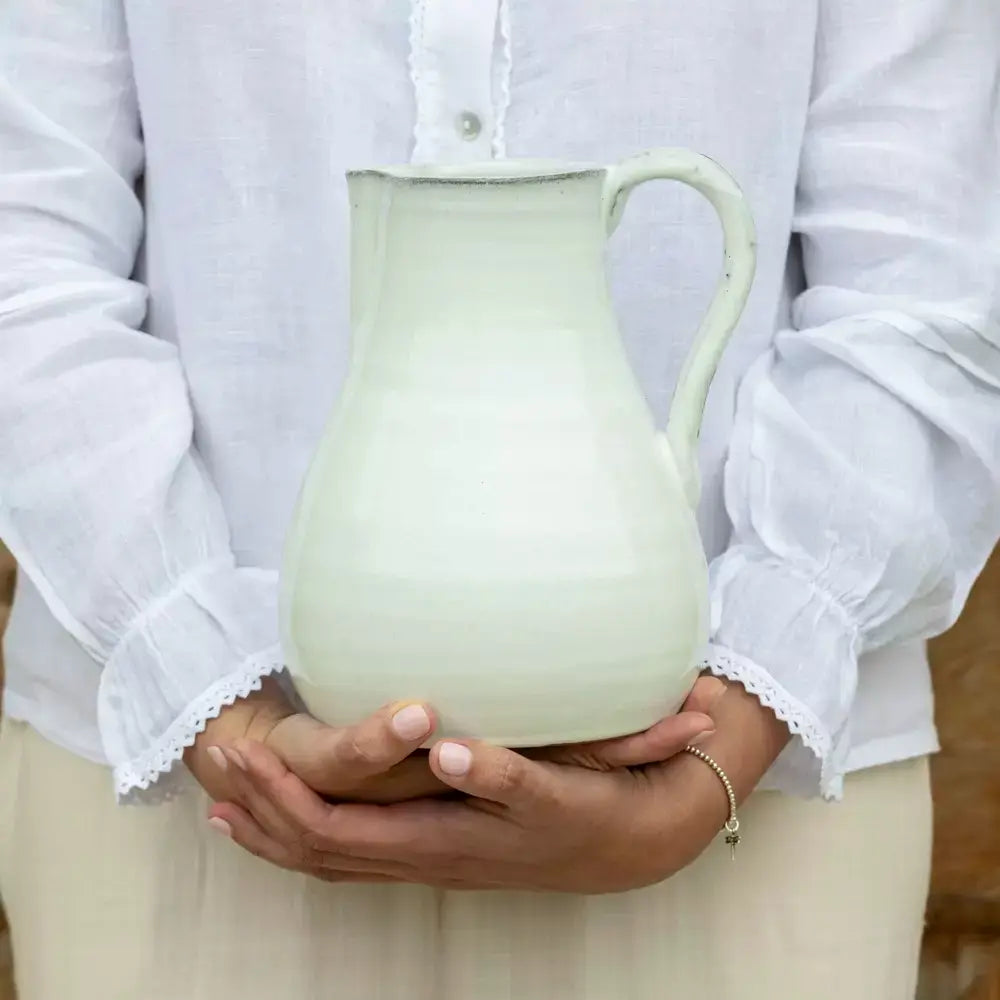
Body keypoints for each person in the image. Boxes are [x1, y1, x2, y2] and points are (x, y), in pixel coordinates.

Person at [0, 1, 998, 997]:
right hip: (184, 785)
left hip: (743, 792)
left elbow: (929, 275)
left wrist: (751, 697)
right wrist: (201, 677)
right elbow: (24, 237)